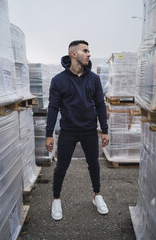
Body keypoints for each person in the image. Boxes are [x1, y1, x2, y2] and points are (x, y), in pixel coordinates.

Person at [45, 40, 109, 221]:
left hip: (90, 130)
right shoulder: (58, 80)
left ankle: (97, 195)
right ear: (74, 54)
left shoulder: (94, 79)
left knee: (94, 165)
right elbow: (53, 108)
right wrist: (49, 134)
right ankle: (56, 199)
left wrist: (104, 130)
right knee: (61, 168)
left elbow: (100, 105)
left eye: (89, 51)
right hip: (68, 131)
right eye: (85, 51)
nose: (89, 54)